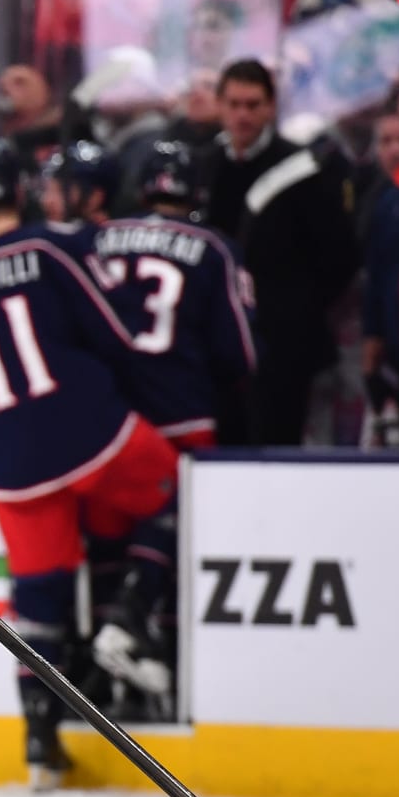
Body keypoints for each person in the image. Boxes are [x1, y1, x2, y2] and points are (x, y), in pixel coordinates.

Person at [0, 136, 178, 787]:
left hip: (12, 461)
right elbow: (112, 332)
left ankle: (40, 744)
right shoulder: (48, 249)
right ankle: (128, 615)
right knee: (172, 487)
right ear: (22, 187)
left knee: (38, 597)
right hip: (88, 431)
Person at [83, 139, 255, 713]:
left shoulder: (99, 241)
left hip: (110, 420)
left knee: (111, 538)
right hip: (182, 411)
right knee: (172, 536)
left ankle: (109, 673)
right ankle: (145, 643)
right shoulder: (212, 247)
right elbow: (241, 352)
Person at [203, 59, 358, 445]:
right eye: (234, 104)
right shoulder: (203, 166)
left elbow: (340, 255)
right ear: (219, 105)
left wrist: (296, 307)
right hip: (216, 343)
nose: (243, 115)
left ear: (271, 107)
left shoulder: (301, 170)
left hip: (282, 346)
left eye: (253, 104)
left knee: (275, 443)